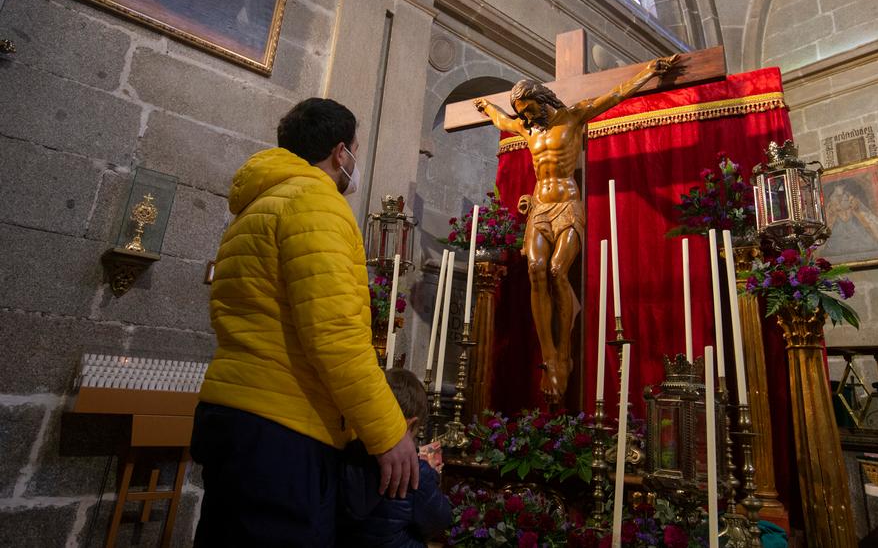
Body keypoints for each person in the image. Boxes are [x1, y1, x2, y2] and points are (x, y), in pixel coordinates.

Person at [192, 98, 418, 547]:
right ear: (340, 152)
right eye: (355, 148)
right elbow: (334, 336)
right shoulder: (316, 203)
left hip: (235, 413)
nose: (355, 158)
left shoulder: (258, 205)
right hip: (284, 430)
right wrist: (389, 432)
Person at [474, 55, 680, 403]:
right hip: (540, 207)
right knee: (536, 269)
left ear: (542, 99)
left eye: (529, 109)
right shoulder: (526, 128)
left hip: (568, 205)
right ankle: (550, 354)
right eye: (522, 112)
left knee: (557, 271)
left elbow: (615, 95)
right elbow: (502, 121)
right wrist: (486, 107)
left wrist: (646, 73)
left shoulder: (574, 116)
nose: (526, 117)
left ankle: (564, 353)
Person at [338, 368, 452, 547]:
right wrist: (433, 476)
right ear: (412, 423)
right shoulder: (417, 472)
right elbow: (440, 521)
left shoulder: (345, 452)